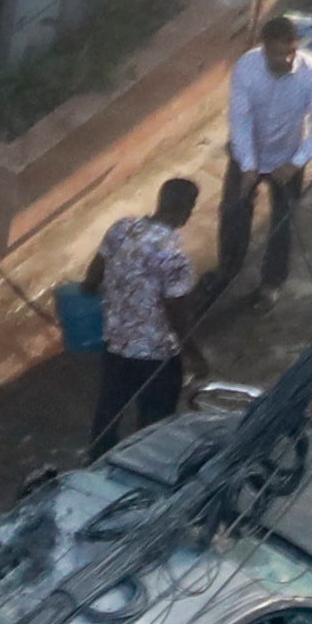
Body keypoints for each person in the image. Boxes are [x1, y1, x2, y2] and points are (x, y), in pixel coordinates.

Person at [89, 176, 204, 450]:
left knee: (109, 410)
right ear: (187, 211)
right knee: (155, 421)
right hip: (156, 355)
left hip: (116, 343)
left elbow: (92, 277)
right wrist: (195, 355)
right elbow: (176, 314)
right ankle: (144, 463)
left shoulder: (121, 230)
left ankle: (96, 460)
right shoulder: (174, 258)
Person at [223, 12, 312, 284]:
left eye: (286, 54)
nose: (280, 61)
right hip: (246, 154)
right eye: (273, 54)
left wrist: (296, 162)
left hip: (288, 159)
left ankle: (272, 284)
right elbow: (239, 118)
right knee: (233, 215)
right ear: (263, 47)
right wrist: (248, 166)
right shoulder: (246, 68)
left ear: (295, 46)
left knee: (282, 225)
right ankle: (228, 272)